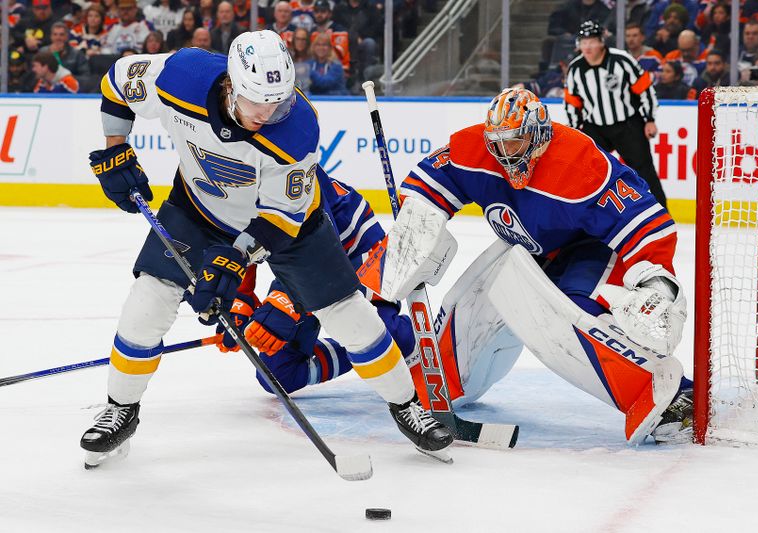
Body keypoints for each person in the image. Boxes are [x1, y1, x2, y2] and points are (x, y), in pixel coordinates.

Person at [80, 29, 452, 468]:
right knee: (149, 300)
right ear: (231, 86)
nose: (271, 111)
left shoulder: (296, 127)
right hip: (197, 208)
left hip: (288, 224)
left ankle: (407, 405)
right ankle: (121, 409)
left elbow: (279, 218)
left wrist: (234, 263)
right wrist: (115, 149)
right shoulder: (181, 74)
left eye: (279, 100)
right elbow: (118, 82)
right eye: (259, 102)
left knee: (348, 313)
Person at [360, 86, 693, 445]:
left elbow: (645, 221)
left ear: (538, 135)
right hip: (530, 251)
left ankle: (674, 396)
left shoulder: (579, 163)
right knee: (470, 301)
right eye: (497, 143)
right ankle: (438, 384)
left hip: (589, 249)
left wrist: (657, 280)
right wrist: (416, 227)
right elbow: (429, 183)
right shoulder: (473, 149)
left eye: (514, 143)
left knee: (569, 316)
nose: (504, 154)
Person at [216, 168, 418, 400]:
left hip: (355, 256)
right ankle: (372, 346)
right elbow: (238, 237)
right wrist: (240, 299)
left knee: (378, 329)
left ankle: (406, 336)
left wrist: (285, 304)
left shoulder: (287, 159)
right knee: (276, 375)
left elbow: (313, 244)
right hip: (298, 260)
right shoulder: (226, 167)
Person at [565, 21, 667, 208]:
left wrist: (649, 119)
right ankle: (587, 216)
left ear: (602, 42)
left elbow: (644, 89)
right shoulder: (575, 68)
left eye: (591, 41)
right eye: (583, 42)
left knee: (644, 171)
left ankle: (661, 213)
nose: (586, 46)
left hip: (627, 125)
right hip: (595, 127)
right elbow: (572, 102)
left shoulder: (622, 60)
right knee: (586, 172)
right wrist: (575, 129)